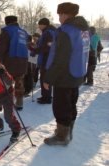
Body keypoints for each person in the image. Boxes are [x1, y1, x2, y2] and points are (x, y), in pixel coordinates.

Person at [43, 2, 90, 145]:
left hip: (64, 75)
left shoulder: (66, 31)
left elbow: (60, 59)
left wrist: (48, 78)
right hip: (77, 73)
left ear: (63, 14)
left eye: (59, 15)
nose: (59, 19)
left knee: (61, 105)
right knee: (71, 104)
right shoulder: (84, 30)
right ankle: (68, 131)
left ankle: (62, 137)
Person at [0, 16, 29, 111]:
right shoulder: (24, 32)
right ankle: (19, 103)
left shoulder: (7, 31)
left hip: (10, 61)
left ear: (6, 22)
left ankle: (1, 104)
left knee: (4, 82)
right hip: (23, 61)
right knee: (19, 82)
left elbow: (2, 46)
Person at [30, 18, 56, 104]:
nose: (39, 26)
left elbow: (47, 46)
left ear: (44, 24)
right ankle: (45, 96)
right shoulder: (49, 32)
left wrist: (35, 51)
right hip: (47, 58)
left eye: (40, 24)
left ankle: (47, 98)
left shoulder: (48, 33)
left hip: (47, 58)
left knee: (45, 77)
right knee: (43, 77)